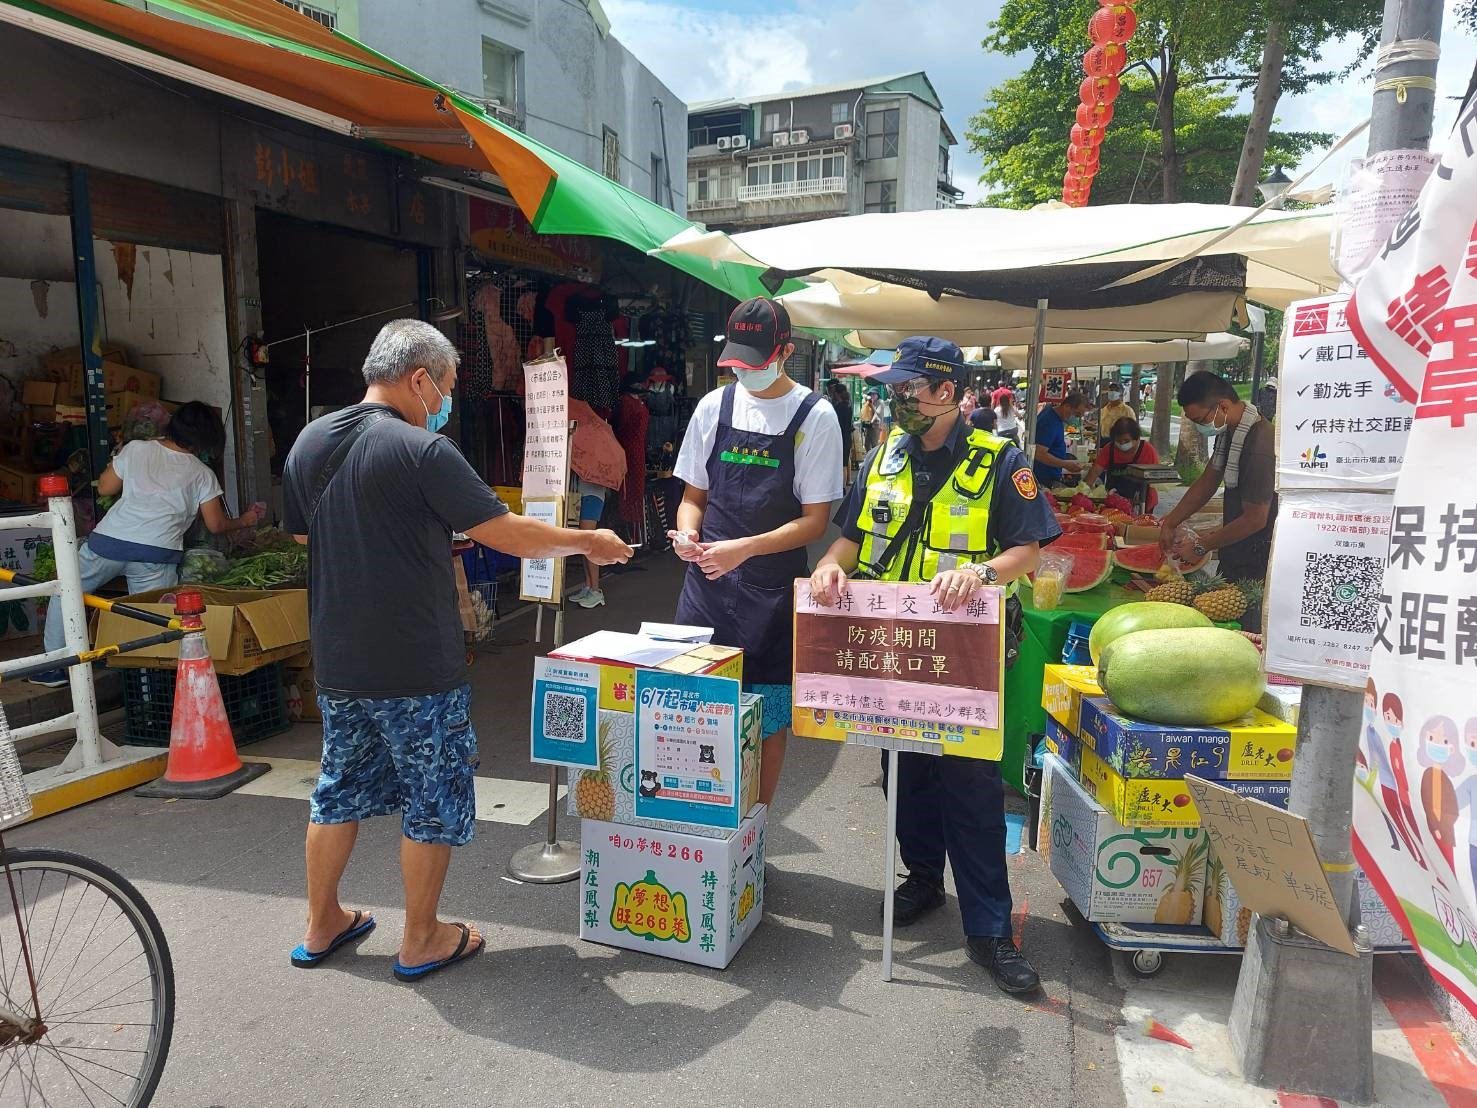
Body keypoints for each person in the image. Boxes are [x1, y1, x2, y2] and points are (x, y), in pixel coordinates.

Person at [282, 319, 631, 980]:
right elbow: (511, 536)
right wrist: (588, 542)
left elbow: (306, 540)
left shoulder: (310, 442)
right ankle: (421, 938)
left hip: (338, 660)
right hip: (415, 663)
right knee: (431, 795)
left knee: (337, 792)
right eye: (445, 385)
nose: (446, 399)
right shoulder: (422, 452)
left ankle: (322, 921)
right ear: (419, 378)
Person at [809, 335, 1060, 995]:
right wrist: (830, 568)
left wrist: (981, 572)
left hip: (965, 657)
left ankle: (988, 930)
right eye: (892, 388)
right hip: (893, 651)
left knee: (970, 790)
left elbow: (1028, 550)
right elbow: (851, 535)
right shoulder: (883, 456)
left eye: (908, 388)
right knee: (903, 775)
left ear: (946, 392)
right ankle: (921, 876)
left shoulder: (1000, 462)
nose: (897, 399)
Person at [669, 298, 843, 809]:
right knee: (694, 707)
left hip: (770, 590)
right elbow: (691, 498)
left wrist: (744, 550)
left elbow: (814, 521)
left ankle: (753, 829)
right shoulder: (712, 407)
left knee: (765, 718)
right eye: (737, 363)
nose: (745, 372)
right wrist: (688, 535)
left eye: (756, 361)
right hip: (706, 585)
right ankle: (699, 813)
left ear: (785, 351)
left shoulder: (815, 415)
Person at [32, 402, 262, 688]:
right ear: (206, 440)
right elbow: (216, 525)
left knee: (65, 592)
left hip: (108, 542)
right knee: (150, 617)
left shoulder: (137, 449)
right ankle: (146, 683)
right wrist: (244, 521)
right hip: (156, 553)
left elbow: (104, 488)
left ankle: (54, 667)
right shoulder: (202, 474)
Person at [1158, 372, 1277, 602]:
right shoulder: (1230, 432)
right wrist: (1170, 522)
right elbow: (1208, 480)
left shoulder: (1258, 443)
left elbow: (1255, 519)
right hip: (1235, 550)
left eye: (1201, 421)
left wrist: (1201, 546)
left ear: (1222, 406)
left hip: (1257, 563)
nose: (1200, 427)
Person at [1083, 416, 1161, 512]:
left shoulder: (1147, 451)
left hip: (1141, 503)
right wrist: (1083, 494)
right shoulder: (1109, 449)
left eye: (1126, 441)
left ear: (1137, 439)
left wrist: (1143, 510)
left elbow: (1153, 484)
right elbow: (1093, 474)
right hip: (1113, 503)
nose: (1122, 444)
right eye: (1118, 441)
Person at [1032, 390, 1088, 488]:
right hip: (1042, 478)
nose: (1077, 419)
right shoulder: (1049, 421)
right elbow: (1038, 453)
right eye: (1077, 414)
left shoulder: (1057, 418)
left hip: (1050, 476)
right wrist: (1065, 464)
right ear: (1067, 407)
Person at [826, 380, 856, 487]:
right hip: (847, 436)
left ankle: (841, 486)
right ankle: (844, 485)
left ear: (837, 394)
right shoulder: (848, 405)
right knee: (844, 460)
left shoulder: (838, 408)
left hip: (840, 436)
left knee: (841, 463)